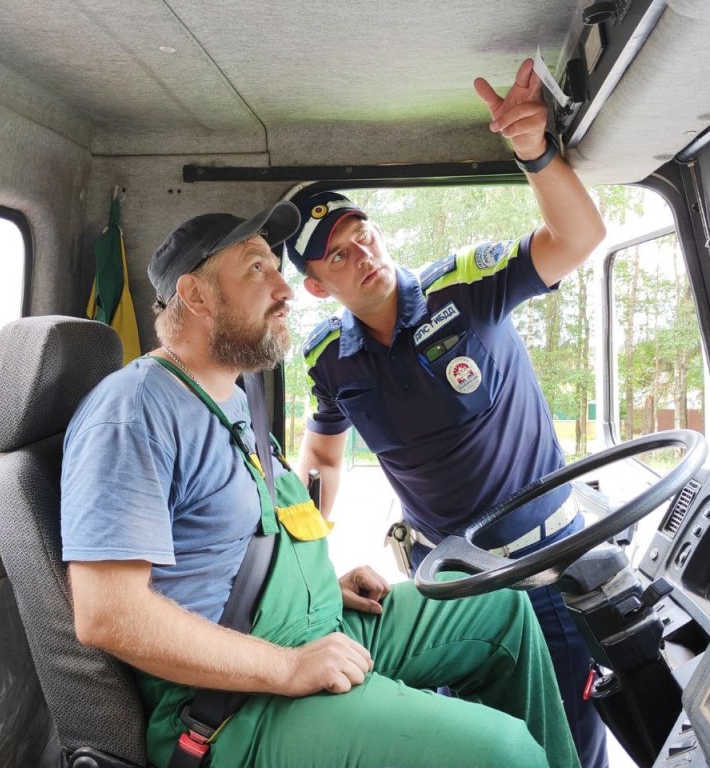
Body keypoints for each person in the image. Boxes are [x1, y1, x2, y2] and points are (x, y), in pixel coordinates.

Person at [59, 202, 579, 768]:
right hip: (234, 704)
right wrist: (286, 667)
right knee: (501, 753)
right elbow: (106, 613)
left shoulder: (234, 398)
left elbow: (230, 544)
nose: (285, 289)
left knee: (503, 610)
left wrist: (317, 581)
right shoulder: (135, 411)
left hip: (316, 624)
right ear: (197, 296)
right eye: (258, 268)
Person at [291, 59, 609, 767]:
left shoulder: (464, 287)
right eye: (337, 257)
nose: (361, 254)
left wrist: (535, 149)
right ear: (316, 286)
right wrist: (312, 560)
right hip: (454, 584)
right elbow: (322, 460)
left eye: (361, 233)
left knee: (572, 747)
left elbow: (580, 238)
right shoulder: (326, 360)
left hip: (549, 568)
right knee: (479, 745)